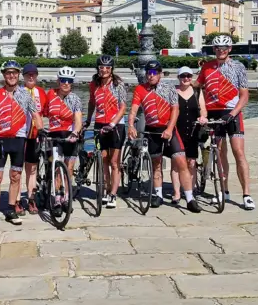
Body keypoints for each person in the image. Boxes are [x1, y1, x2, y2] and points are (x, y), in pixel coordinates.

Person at [128, 61, 201, 213]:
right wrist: (130, 125)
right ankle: (158, 195)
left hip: (169, 129)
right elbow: (133, 109)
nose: (151, 76)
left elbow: (175, 110)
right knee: (156, 164)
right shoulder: (140, 89)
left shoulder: (169, 88)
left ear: (160, 74)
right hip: (151, 130)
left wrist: (169, 128)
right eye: (149, 73)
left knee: (181, 162)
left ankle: (190, 199)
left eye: (154, 73)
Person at [0, 60, 43, 227]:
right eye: (8, 73)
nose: (11, 75)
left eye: (14, 73)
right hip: (0, 140)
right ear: (4, 75)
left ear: (18, 75)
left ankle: (12, 209)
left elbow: (36, 115)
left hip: (19, 139)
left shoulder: (25, 95)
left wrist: (41, 130)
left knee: (15, 176)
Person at [196, 35, 254, 210]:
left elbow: (244, 95)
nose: (220, 51)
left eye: (224, 48)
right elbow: (197, 85)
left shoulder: (238, 67)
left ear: (229, 49)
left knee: (238, 152)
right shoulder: (207, 67)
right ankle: (224, 191)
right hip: (214, 114)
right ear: (213, 49)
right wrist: (181, 81)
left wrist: (233, 113)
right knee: (220, 154)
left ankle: (246, 194)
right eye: (217, 48)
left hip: (232, 113)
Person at [85, 55, 127, 209]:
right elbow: (91, 103)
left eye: (107, 67)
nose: (104, 70)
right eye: (101, 67)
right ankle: (106, 189)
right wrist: (88, 120)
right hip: (100, 124)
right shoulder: (93, 85)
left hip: (116, 125)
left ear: (112, 69)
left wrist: (113, 123)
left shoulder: (118, 85)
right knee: (103, 160)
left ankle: (113, 194)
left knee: (114, 162)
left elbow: (123, 107)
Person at [43, 66, 83, 215]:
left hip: (69, 135)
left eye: (69, 81)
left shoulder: (75, 99)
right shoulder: (50, 95)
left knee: (69, 168)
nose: (66, 83)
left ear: (72, 82)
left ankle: (66, 196)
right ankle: (56, 198)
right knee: (57, 168)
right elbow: (41, 112)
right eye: (63, 80)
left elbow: (78, 119)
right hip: (54, 135)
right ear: (58, 81)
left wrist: (75, 132)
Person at [170, 66, 208, 204]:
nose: (186, 78)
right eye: (183, 76)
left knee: (191, 162)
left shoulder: (197, 91)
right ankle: (176, 193)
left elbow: (203, 109)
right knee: (176, 162)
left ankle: (190, 193)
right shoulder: (173, 91)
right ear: (178, 77)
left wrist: (203, 117)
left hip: (193, 130)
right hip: (177, 130)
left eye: (188, 76)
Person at [21, 63, 48, 215]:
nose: (31, 77)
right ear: (23, 77)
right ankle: (16, 201)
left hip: (35, 136)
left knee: (32, 169)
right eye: (28, 74)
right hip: (20, 135)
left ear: (37, 76)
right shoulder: (18, 91)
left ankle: (31, 200)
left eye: (33, 74)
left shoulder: (41, 92)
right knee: (17, 170)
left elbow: (47, 112)